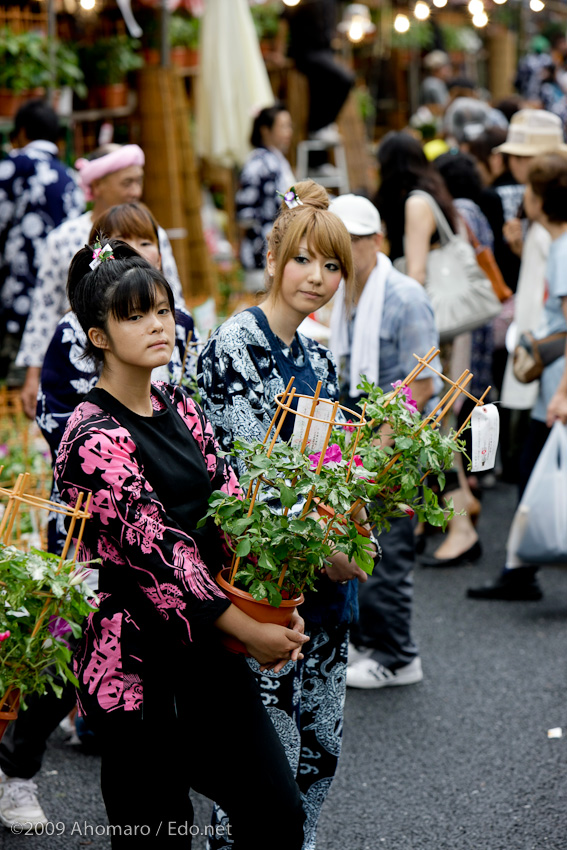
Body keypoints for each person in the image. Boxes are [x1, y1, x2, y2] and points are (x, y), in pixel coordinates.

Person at [53, 239, 307, 848]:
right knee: (157, 833)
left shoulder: (181, 405)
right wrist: (250, 630)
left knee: (276, 810)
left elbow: (231, 506)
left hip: (207, 644)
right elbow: (157, 552)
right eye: (133, 315)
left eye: (162, 310)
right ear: (99, 337)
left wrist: (279, 579)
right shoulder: (88, 434)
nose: (157, 325)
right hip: (134, 661)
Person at [0, 203, 198, 831]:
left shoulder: (181, 323)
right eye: (125, 243)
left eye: (150, 241)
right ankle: (18, 769)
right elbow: (60, 422)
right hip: (93, 517)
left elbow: (187, 414)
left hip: (172, 517)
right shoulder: (71, 333)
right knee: (76, 642)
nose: (140, 252)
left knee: (164, 658)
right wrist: (125, 465)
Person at [198, 180, 377, 850]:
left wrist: (356, 535)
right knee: (259, 764)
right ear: (274, 258)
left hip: (323, 581)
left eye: (333, 266)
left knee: (317, 747)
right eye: (304, 259)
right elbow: (248, 476)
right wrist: (327, 543)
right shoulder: (234, 343)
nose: (319, 277)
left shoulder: (316, 353)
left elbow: (335, 461)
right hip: (263, 584)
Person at [328, 192, 437, 689]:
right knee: (360, 544)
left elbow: (423, 383)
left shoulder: (404, 295)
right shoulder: (347, 289)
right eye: (337, 242)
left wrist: (380, 447)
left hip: (394, 440)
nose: (345, 252)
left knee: (387, 552)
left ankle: (399, 655)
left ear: (376, 241)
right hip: (361, 436)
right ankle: (375, 642)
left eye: (353, 241)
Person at [15, 143, 184, 420]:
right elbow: (44, 311)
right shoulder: (63, 238)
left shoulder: (156, 233)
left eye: (138, 182)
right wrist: (34, 375)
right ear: (98, 184)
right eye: (126, 182)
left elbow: (173, 296)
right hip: (80, 363)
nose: (135, 191)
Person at [374, 131, 481, 565]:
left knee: (433, 423)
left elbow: (416, 273)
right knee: (435, 423)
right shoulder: (431, 194)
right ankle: (450, 518)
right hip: (442, 329)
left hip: (434, 329)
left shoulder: (416, 202)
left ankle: (461, 526)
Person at [469, 152, 567, 601]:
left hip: (558, 387)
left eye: (529, 189)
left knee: (534, 473)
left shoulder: (564, 247)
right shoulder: (555, 242)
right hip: (553, 385)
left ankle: (519, 571)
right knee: (532, 474)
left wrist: (563, 393)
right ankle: (519, 569)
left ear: (543, 198)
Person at [0, 99, 84, 384]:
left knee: (14, 380)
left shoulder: (14, 165)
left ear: (22, 132)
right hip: (58, 295)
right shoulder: (69, 177)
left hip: (16, 293)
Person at [236, 104, 294, 291]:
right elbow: (244, 214)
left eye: (289, 126)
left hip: (280, 246)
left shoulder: (276, 161)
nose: (288, 132)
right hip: (262, 250)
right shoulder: (258, 164)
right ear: (265, 130)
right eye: (283, 126)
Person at [419, 50, 452, 115]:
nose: (448, 70)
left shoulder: (431, 82)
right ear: (437, 69)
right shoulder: (433, 84)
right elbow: (442, 105)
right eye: (445, 67)